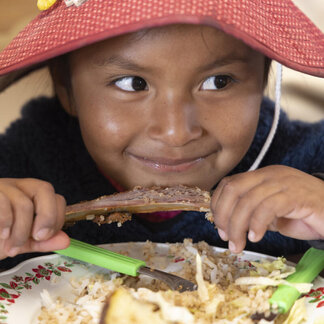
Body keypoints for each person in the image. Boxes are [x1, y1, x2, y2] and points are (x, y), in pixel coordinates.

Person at [0, 0, 323, 270]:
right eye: (132, 83)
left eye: (218, 82)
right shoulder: (19, 164)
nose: (176, 133)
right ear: (65, 88)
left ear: (265, 76)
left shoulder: (307, 164)